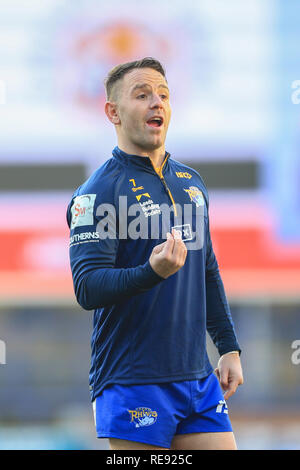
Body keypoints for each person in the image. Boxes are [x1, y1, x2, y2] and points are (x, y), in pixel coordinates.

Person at [66, 57, 243, 450]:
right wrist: (151, 271)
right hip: (132, 381)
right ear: (112, 111)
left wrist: (228, 346)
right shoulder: (98, 192)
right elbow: (87, 287)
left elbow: (206, 270)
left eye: (163, 95)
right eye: (142, 95)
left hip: (198, 379)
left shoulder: (191, 182)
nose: (156, 103)